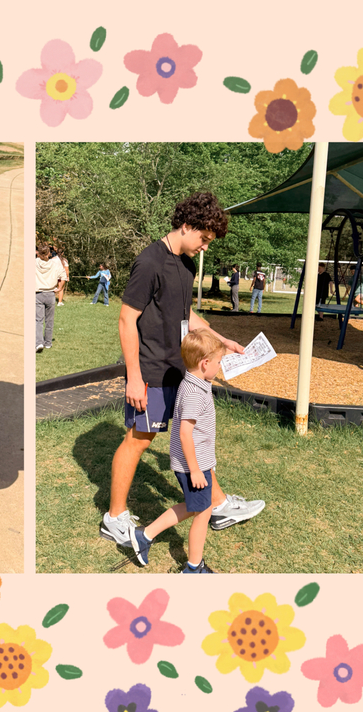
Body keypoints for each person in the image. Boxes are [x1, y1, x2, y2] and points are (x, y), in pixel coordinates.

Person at [101, 191, 266, 547]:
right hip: (151, 372)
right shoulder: (149, 262)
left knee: (195, 434)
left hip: (182, 370)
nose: (205, 247)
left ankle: (217, 505)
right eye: (203, 239)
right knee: (140, 439)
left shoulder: (186, 265)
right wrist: (134, 377)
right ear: (187, 226)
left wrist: (224, 343)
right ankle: (114, 517)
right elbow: (127, 320)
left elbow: (185, 316)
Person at [129, 329, 226, 573]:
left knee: (195, 507)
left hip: (198, 463)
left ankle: (146, 535)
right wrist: (195, 470)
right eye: (219, 363)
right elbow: (185, 433)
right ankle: (194, 567)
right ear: (205, 364)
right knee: (202, 511)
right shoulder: (194, 393)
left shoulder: (196, 381)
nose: (220, 368)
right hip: (192, 466)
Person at [36, 242, 66, 349]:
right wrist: (60, 288)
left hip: (38, 294)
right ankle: (48, 342)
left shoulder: (34, 263)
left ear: (38, 253)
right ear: (49, 253)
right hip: (50, 294)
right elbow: (63, 277)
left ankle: (39, 342)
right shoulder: (55, 264)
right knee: (49, 320)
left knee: (38, 320)